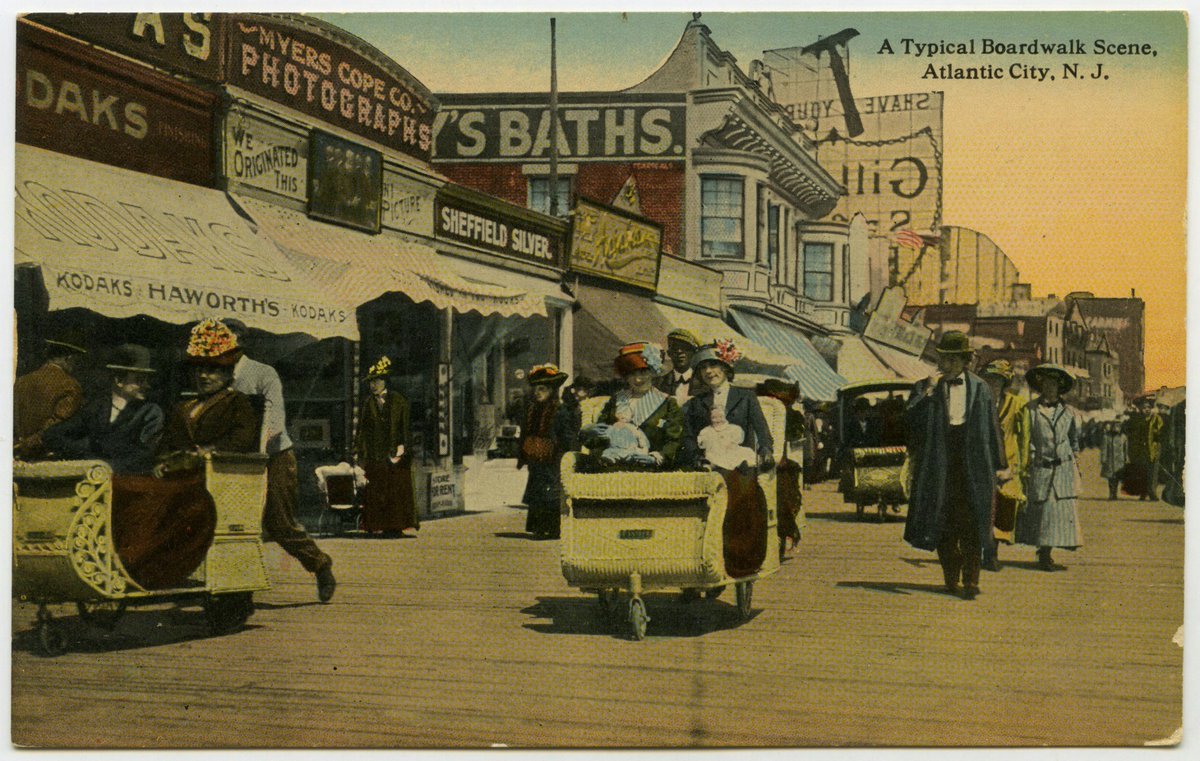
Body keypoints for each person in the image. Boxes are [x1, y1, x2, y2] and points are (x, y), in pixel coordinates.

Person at [225, 319, 336, 602]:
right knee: (234, 523)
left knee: (279, 522)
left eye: (229, 339)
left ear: (240, 342)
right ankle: (237, 588)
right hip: (235, 459)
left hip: (274, 456)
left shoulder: (263, 373)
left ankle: (319, 563)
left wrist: (259, 452)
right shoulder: (214, 375)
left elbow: (274, 420)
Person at [904, 331, 1007, 601]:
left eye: (953, 360)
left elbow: (992, 427)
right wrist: (926, 393)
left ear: (965, 361)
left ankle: (971, 580)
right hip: (939, 462)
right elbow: (909, 421)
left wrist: (1000, 465)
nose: (946, 365)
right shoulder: (925, 386)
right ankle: (952, 576)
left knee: (974, 522)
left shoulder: (981, 388)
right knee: (944, 522)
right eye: (943, 359)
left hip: (973, 463)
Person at [681, 340, 774, 579]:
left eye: (714, 366)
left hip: (739, 463)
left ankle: (740, 559)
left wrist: (765, 449)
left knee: (742, 498)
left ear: (725, 368)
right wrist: (695, 457)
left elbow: (761, 429)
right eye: (703, 368)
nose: (709, 372)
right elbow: (688, 436)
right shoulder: (695, 403)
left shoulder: (745, 397)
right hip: (709, 463)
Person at [41, 344, 164, 476]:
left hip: (129, 479)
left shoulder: (150, 412)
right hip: (94, 476)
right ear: (119, 380)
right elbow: (52, 435)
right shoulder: (97, 407)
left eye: (146, 379)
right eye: (139, 380)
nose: (147, 385)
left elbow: (144, 456)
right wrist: (88, 450)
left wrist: (99, 456)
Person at [1016, 363, 1083, 572]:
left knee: (1059, 514)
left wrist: (1076, 464)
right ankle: (1043, 554)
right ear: (1040, 385)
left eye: (1054, 384)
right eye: (1046, 383)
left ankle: (1048, 552)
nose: (1050, 387)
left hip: (1063, 469)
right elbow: (1025, 438)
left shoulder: (1070, 412)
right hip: (1041, 467)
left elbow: (1074, 441)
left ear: (1060, 387)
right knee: (1043, 514)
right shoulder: (1030, 410)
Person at [588, 342, 684, 470]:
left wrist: (657, 457)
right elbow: (599, 436)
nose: (638, 379)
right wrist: (589, 433)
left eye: (643, 372)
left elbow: (674, 440)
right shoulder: (616, 400)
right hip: (614, 469)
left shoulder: (667, 403)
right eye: (632, 374)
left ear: (653, 372)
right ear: (626, 377)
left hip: (653, 472)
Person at [354, 356, 419, 539]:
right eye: (371, 382)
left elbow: (405, 428)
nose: (373, 385)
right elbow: (362, 430)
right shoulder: (368, 403)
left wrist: (401, 450)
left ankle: (396, 526)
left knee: (396, 491)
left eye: (377, 381)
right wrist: (360, 451)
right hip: (375, 455)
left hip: (396, 454)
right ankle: (378, 525)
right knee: (376, 490)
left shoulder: (399, 401)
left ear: (385, 381)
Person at [980, 360, 1031, 572]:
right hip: (983, 462)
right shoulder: (978, 402)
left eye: (998, 381)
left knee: (1003, 509)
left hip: (1008, 463)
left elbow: (1024, 437)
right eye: (990, 380)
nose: (993, 384)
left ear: (1004, 383)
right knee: (983, 509)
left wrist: (1021, 467)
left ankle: (992, 551)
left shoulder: (1016, 404)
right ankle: (986, 552)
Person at [13, 330, 89, 460]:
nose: (76, 366)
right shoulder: (70, 385)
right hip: (48, 457)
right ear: (68, 358)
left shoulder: (20, 381)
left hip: (18, 455)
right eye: (76, 361)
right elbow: (57, 426)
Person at [516, 364, 570, 539]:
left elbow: (567, 436)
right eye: (536, 389)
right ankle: (539, 528)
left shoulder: (560, 411)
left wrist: (566, 456)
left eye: (543, 389)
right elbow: (525, 433)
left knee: (551, 493)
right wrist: (523, 456)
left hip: (554, 458)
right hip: (535, 457)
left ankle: (554, 528)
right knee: (537, 492)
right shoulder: (532, 410)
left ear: (551, 391)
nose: (538, 392)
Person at [758, 379, 805, 556]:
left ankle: (786, 532)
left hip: (780, 462)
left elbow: (792, 440)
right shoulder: (754, 408)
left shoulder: (790, 415)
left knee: (783, 494)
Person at [1124, 396, 1164, 501]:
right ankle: (1143, 492)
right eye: (1144, 407)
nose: (1146, 409)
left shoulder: (1156, 419)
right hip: (1140, 450)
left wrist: (1157, 436)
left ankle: (1152, 493)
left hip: (1153, 449)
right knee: (1141, 471)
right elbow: (1131, 433)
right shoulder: (1137, 419)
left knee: (1153, 472)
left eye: (1148, 407)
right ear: (1140, 408)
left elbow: (1162, 432)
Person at [655, 328, 704, 405]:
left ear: (693, 352)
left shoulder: (704, 384)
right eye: (675, 348)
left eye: (685, 348)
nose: (679, 352)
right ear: (669, 353)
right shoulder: (658, 383)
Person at [599, 401, 653, 466]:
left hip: (630, 449)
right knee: (607, 452)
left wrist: (644, 448)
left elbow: (641, 437)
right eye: (619, 413)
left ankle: (635, 461)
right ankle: (609, 460)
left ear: (632, 416)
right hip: (615, 449)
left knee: (634, 454)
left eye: (626, 413)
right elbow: (605, 435)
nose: (622, 415)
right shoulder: (612, 427)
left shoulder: (633, 428)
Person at [1099, 418, 1129, 501]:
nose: (1117, 428)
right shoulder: (1107, 437)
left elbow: (1125, 449)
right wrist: (1103, 459)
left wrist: (1126, 458)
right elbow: (1104, 449)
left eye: (1119, 426)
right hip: (1110, 461)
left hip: (1120, 461)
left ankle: (1114, 493)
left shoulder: (1123, 437)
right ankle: (1111, 493)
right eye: (1115, 426)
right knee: (1111, 478)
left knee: (1117, 478)